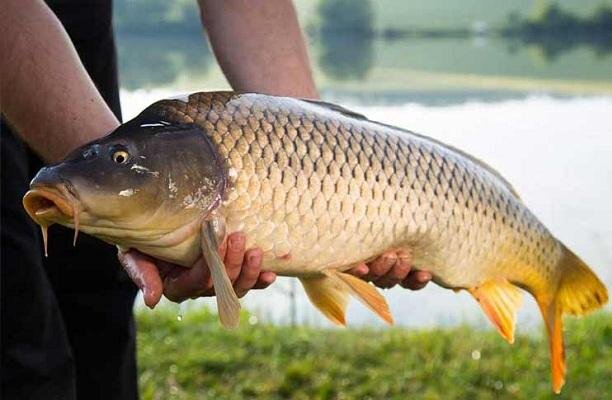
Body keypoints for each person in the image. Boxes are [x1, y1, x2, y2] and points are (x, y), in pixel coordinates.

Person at [0, 1, 432, 399]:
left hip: (80, 29)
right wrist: (101, 175)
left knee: (99, 304)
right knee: (20, 337)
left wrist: (314, 145)